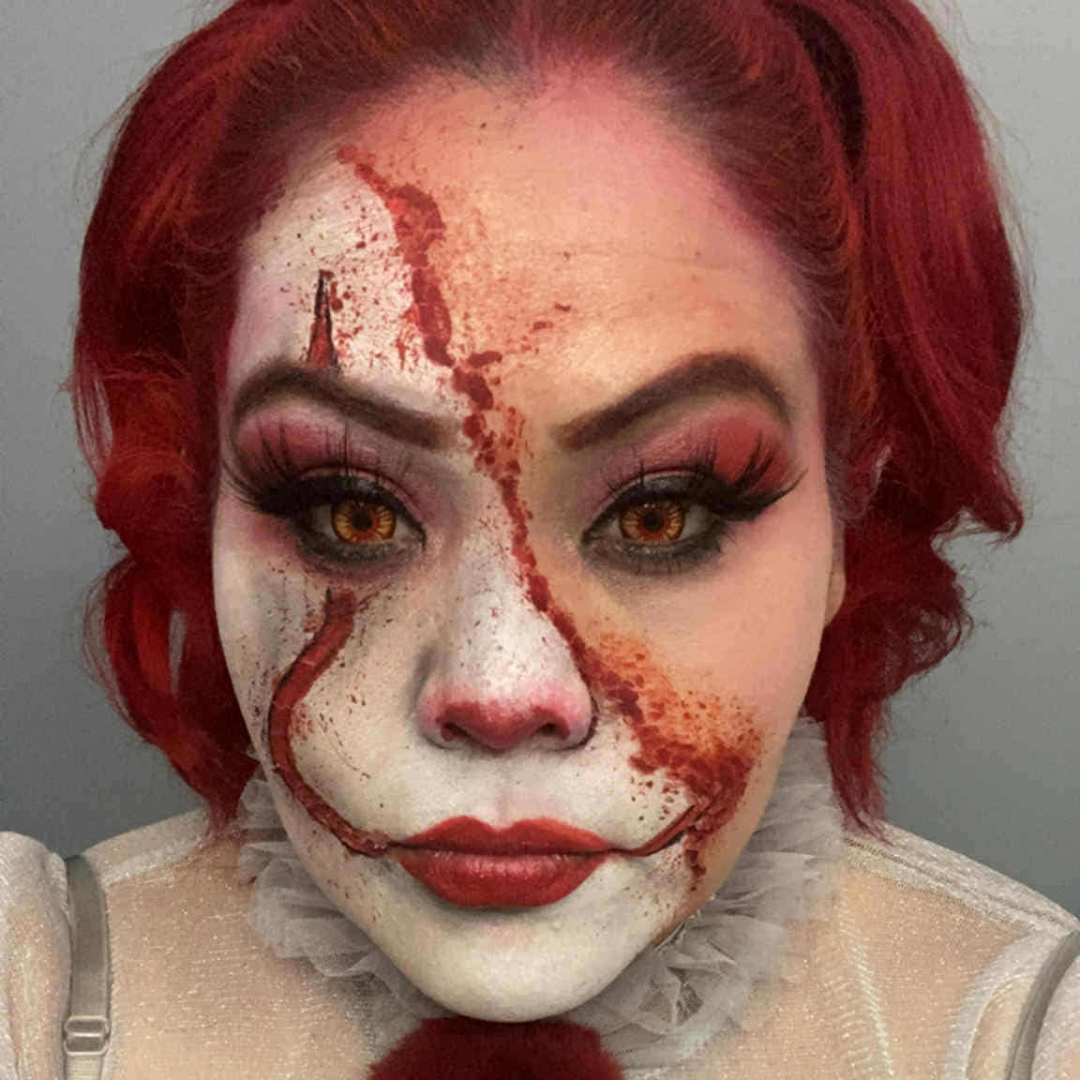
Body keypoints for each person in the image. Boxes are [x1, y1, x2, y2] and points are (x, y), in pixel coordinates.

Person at [2, 0, 1078, 1076]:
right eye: (350, 510)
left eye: (661, 513)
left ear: (851, 517)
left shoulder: (1027, 1035)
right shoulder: (34, 994)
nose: (500, 689)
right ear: (201, 506)